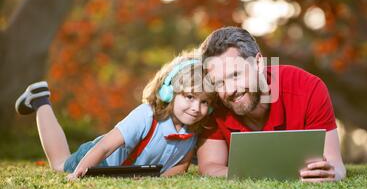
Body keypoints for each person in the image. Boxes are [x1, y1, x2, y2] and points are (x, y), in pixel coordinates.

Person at [15, 52, 216, 180]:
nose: (196, 107)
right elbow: (105, 146)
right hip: (100, 160)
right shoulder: (146, 115)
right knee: (60, 164)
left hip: (126, 173)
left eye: (204, 102)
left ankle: (40, 99)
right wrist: (79, 172)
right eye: (189, 97)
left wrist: (158, 181)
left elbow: (181, 165)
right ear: (168, 92)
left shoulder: (194, 129)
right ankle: (40, 99)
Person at [197, 26, 346, 182]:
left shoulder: (307, 88)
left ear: (259, 63)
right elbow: (210, 166)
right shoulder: (213, 103)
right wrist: (258, 175)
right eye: (219, 83)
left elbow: (335, 164)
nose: (229, 90)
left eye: (235, 75)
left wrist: (331, 174)